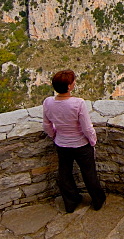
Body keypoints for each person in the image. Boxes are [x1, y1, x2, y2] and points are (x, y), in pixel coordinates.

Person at [42, 69, 106, 212]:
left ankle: (71, 203)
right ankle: (97, 201)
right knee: (89, 174)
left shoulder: (48, 103)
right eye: (73, 81)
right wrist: (93, 141)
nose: (74, 83)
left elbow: (46, 125)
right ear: (69, 86)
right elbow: (87, 127)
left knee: (64, 175)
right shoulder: (78, 103)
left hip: (61, 144)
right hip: (81, 144)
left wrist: (54, 136)